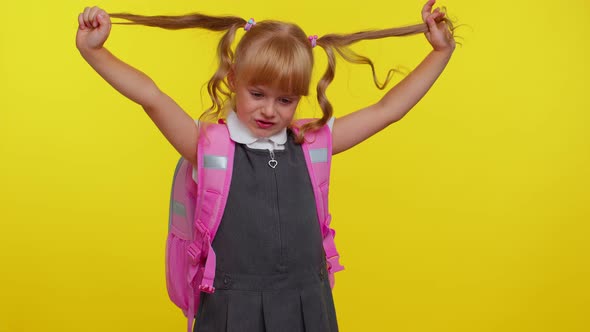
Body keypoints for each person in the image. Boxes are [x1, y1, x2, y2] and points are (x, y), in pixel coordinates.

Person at [76, 1, 456, 331]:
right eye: (257, 94)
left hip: (308, 307)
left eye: (286, 100)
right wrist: (95, 52)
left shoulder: (312, 144)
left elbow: (388, 111)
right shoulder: (209, 147)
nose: (270, 110)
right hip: (230, 311)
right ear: (233, 80)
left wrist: (439, 53)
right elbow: (151, 96)